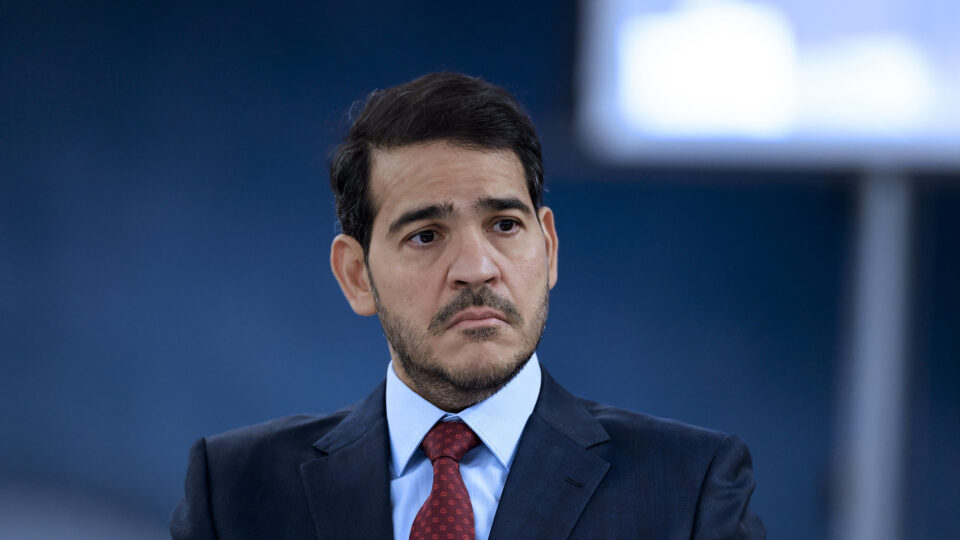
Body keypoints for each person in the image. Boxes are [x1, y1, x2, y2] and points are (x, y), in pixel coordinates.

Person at [170, 72, 765, 539]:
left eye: (504, 224)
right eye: (426, 235)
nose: (477, 268)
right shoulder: (236, 491)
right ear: (356, 275)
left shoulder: (689, 487)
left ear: (549, 248)